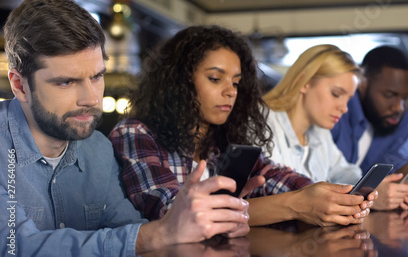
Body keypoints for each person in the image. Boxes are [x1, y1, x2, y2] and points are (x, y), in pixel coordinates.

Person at [0, 0, 251, 257]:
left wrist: (206, 226)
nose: (91, 98)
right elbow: (15, 249)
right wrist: (157, 235)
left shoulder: (97, 148)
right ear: (19, 85)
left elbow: (126, 228)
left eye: (97, 76)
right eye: (66, 82)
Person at [109, 25, 376, 228]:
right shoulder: (135, 133)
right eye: (215, 79)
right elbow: (175, 216)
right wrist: (296, 204)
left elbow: (276, 176)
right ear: (178, 81)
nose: (230, 92)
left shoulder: (222, 140)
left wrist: (329, 197)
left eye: (236, 82)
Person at [331, 46, 408, 210]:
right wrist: (369, 195)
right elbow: (319, 180)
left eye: (406, 98)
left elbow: (390, 173)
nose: (399, 107)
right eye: (389, 95)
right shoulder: (337, 112)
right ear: (362, 84)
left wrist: (398, 188)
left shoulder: (396, 118)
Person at [262, 44, 362, 185]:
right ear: (305, 83)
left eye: (348, 99)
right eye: (336, 94)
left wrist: (370, 189)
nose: (344, 108)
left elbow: (343, 173)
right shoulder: (261, 124)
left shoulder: (320, 132)